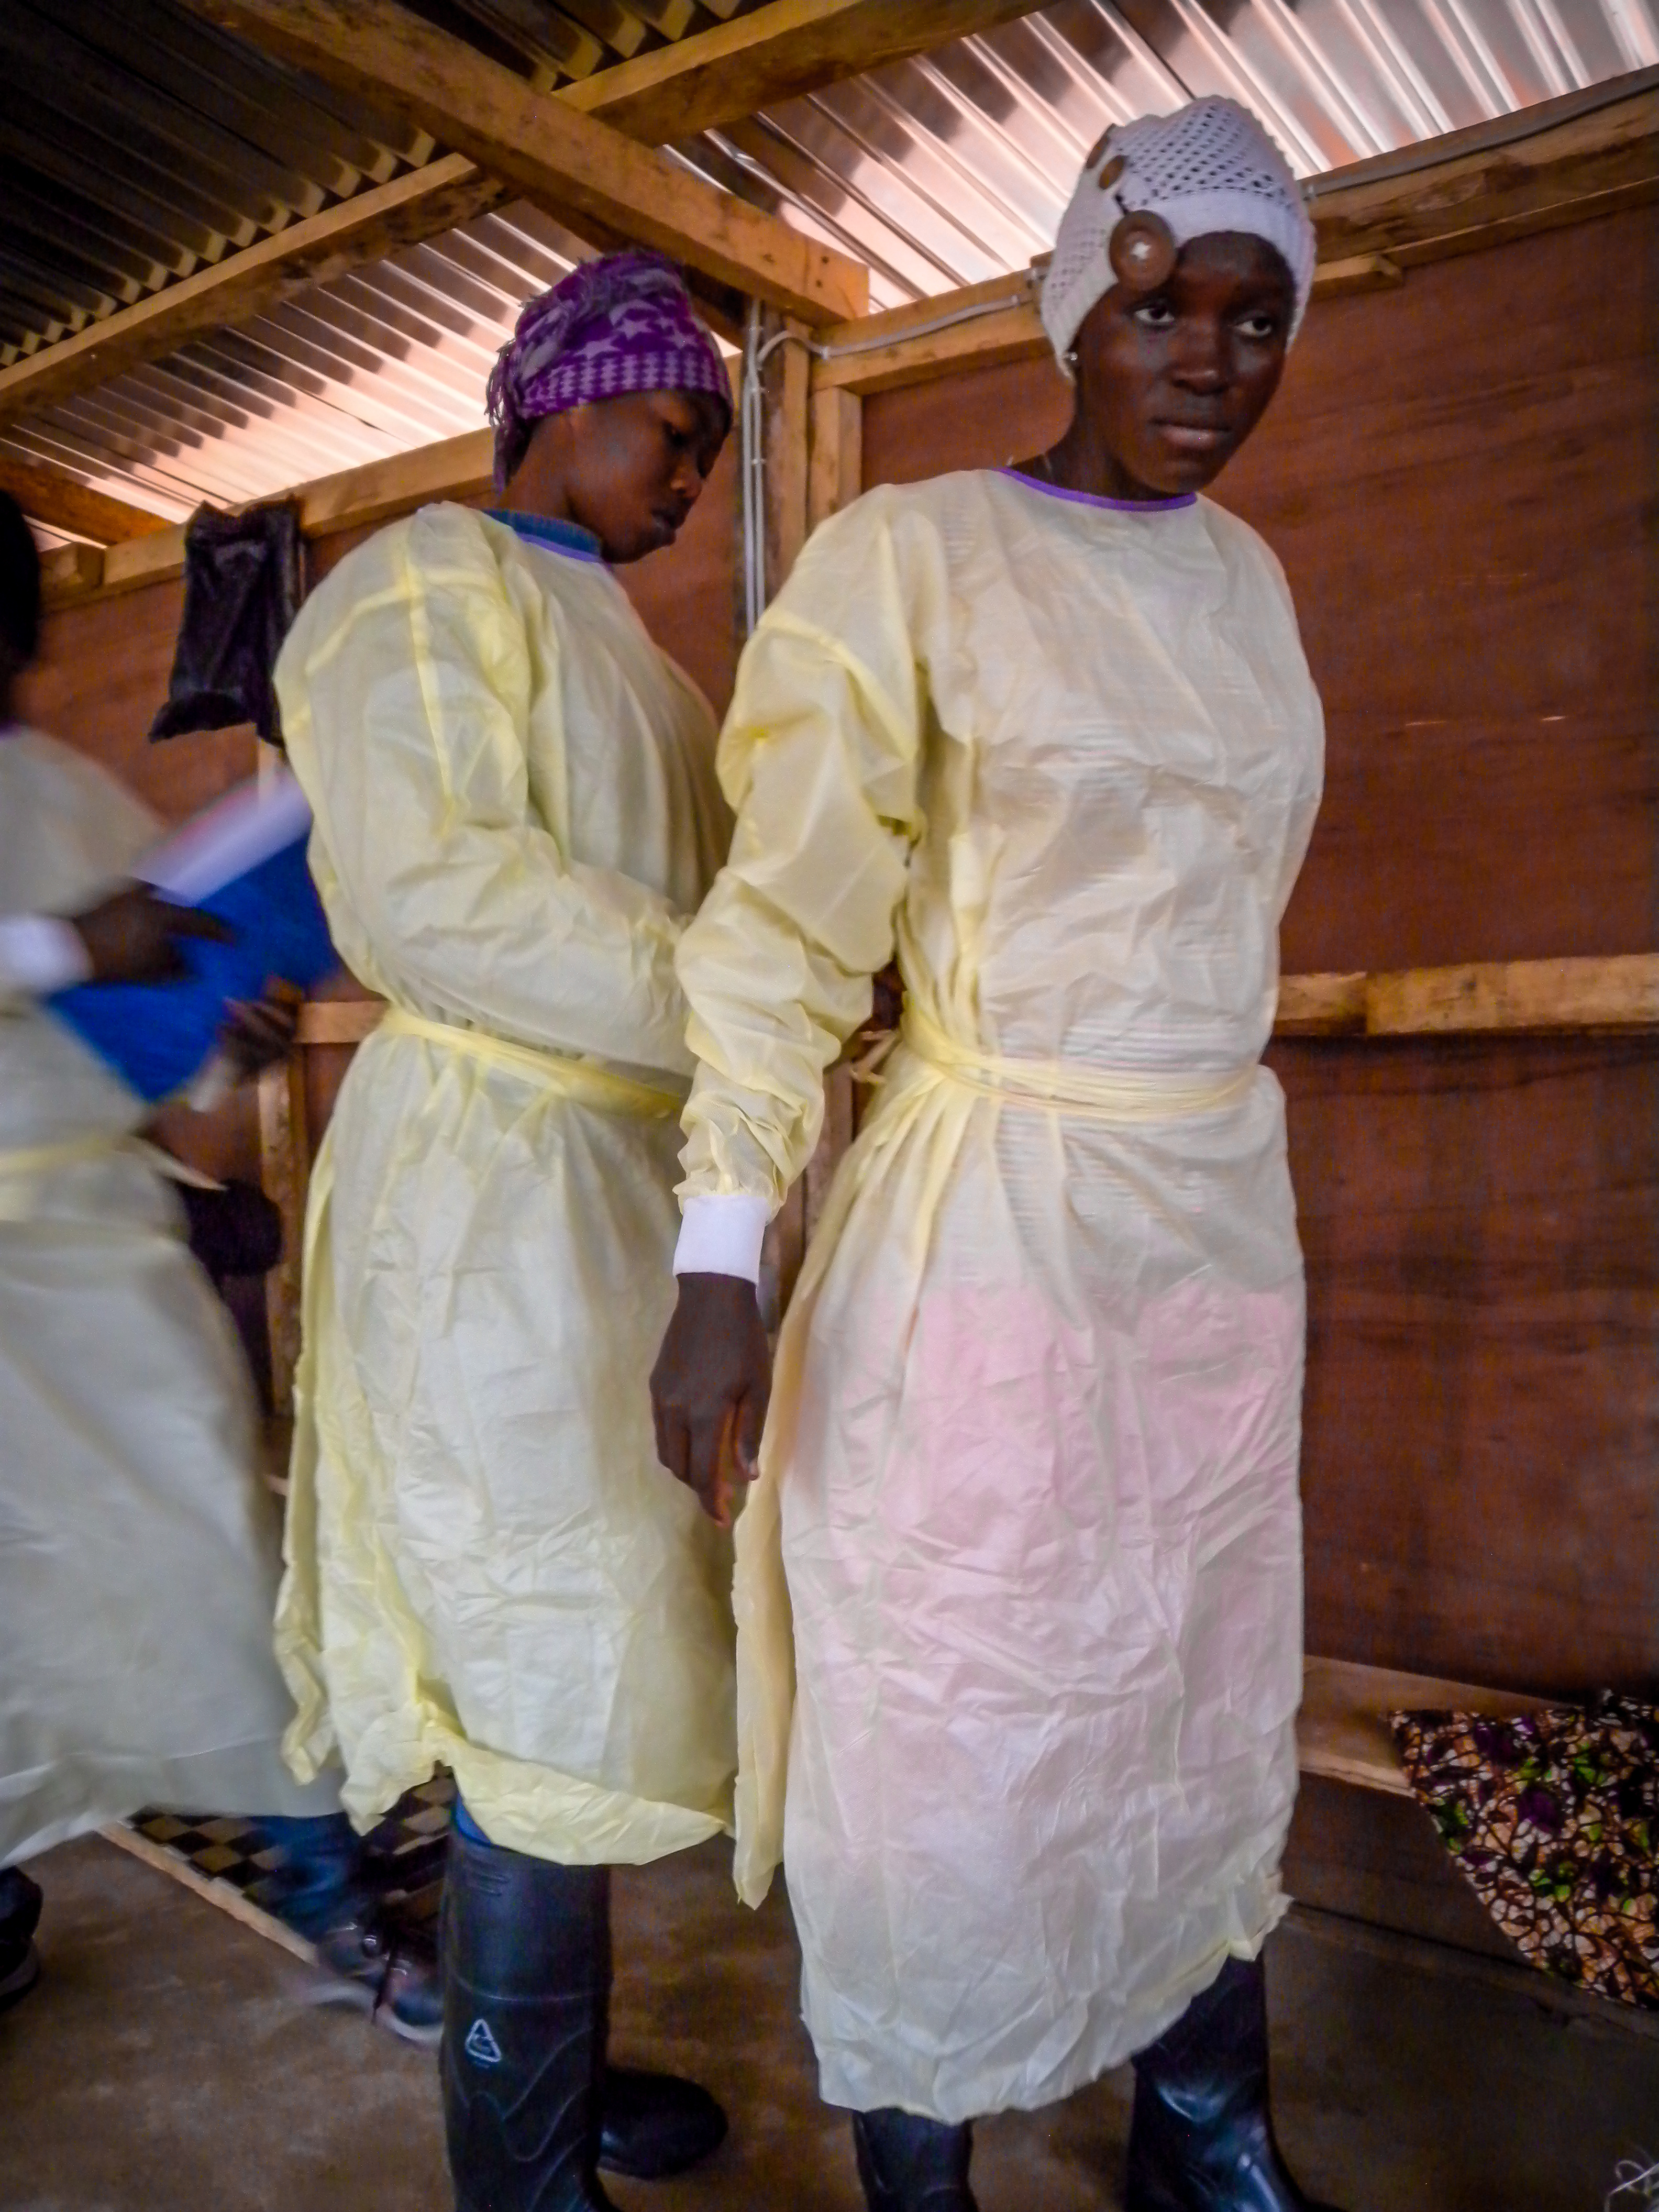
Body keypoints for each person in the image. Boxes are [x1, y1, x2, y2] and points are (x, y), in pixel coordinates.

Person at [652, 99, 1344, 2211]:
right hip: (992, 1213)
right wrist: (718, 1254)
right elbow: (774, 941)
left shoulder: (1253, 587)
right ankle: (925, 2152)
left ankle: (1202, 2138)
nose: (1207, 359)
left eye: (1255, 318)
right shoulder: (913, 563)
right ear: (1072, 305)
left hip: (1210, 1215)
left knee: (1198, 1676)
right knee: (957, 1701)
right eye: (1159, 305)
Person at [271, 251, 739, 2209]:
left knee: (599, 1673)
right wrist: (737, 995)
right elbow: (436, 893)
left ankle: (547, 2067)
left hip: (614, 1200)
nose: (694, 474)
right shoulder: (419, 587)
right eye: (673, 427)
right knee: (533, 1690)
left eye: (715, 451)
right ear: (563, 400)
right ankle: (518, 2174)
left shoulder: (655, 667)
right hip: (485, 1201)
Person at [0, 491, 437, 2040]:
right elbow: (73, 959)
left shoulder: (54, 786)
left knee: (211, 1557)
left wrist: (221, 1023)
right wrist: (66, 953)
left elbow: (152, 999)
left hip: (95, 1241)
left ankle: (332, 1903)